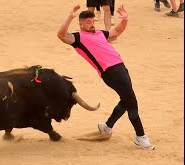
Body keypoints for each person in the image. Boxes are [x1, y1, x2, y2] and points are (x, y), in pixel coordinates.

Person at [57, 4, 155, 150]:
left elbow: (116, 32)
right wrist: (70, 17)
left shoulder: (100, 33)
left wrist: (125, 20)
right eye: (88, 22)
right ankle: (140, 136)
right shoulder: (77, 38)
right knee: (131, 101)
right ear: (81, 24)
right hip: (110, 73)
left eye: (93, 22)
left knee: (127, 99)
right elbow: (61, 35)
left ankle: (107, 126)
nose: (92, 24)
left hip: (121, 68)